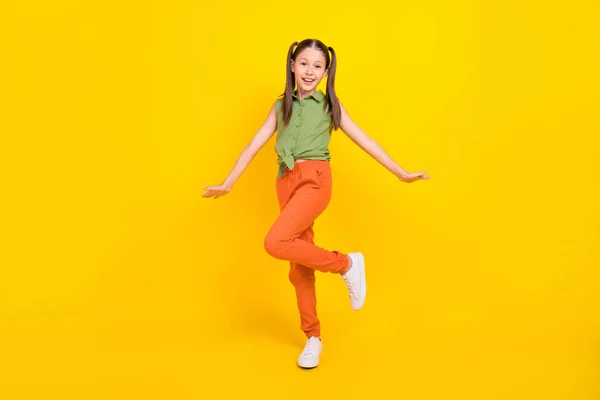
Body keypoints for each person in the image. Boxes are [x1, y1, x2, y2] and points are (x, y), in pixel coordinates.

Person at [203, 38, 431, 369]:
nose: (310, 71)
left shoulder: (330, 107)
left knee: (275, 242)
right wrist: (228, 182)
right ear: (293, 65)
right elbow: (254, 144)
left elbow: (365, 139)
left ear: (326, 72)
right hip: (285, 181)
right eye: (304, 63)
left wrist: (400, 172)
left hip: (315, 180)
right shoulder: (280, 105)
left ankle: (346, 264)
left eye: (318, 66)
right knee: (298, 268)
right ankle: (313, 337)